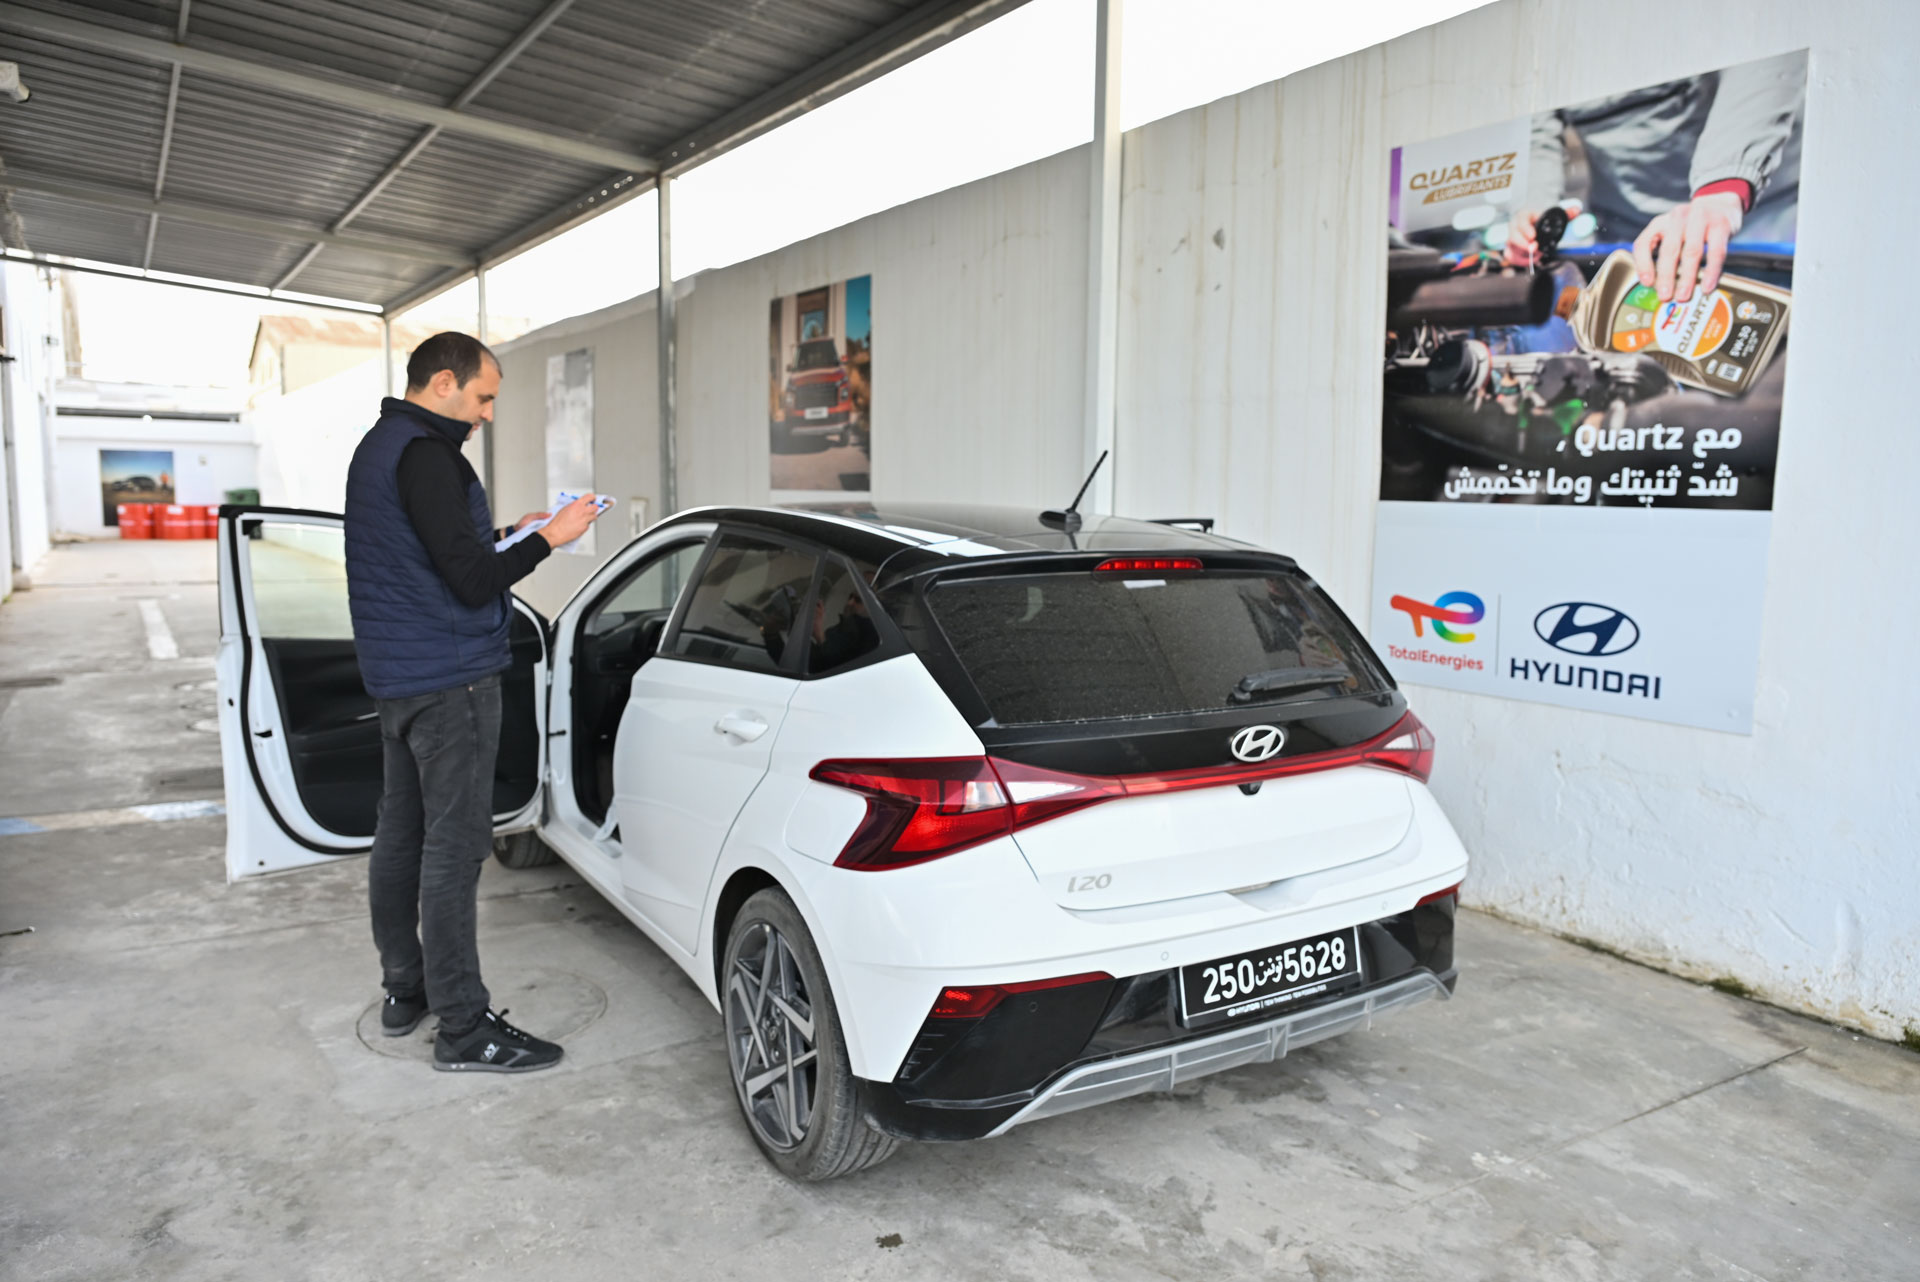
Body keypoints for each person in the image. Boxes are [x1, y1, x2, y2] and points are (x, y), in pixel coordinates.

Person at [343, 331, 603, 1074]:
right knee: (454, 853)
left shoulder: (381, 446)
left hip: (399, 677)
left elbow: (428, 550)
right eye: (483, 398)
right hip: (449, 680)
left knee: (401, 837)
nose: (487, 414)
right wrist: (549, 540)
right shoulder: (430, 456)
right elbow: (471, 581)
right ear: (444, 382)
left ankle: (407, 990)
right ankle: (463, 1028)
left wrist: (505, 534)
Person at [1503, 50, 1805, 303]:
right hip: (1629, 228)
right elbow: (1537, 130)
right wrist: (1533, 207)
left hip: (1756, 208)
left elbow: (1762, 58)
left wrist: (1723, 184)